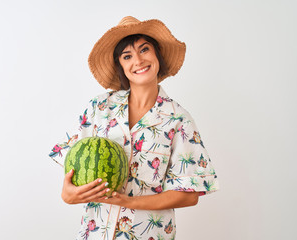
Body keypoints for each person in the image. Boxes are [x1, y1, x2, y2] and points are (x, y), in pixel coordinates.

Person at [48, 16, 219, 240]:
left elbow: (189, 194)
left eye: (144, 50)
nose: (137, 60)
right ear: (121, 65)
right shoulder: (99, 107)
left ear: (157, 54)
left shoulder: (179, 120)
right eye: (127, 56)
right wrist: (68, 194)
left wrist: (129, 203)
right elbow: (72, 172)